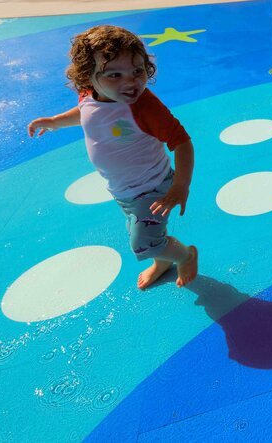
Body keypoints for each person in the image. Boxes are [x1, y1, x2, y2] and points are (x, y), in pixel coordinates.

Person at [27, 25, 198, 290]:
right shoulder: (88, 94)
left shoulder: (143, 107)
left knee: (141, 241)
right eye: (114, 75)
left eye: (137, 71)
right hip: (123, 190)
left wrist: (180, 186)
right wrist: (56, 122)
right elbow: (85, 111)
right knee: (140, 233)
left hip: (152, 188)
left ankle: (185, 255)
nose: (129, 82)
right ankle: (162, 260)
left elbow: (182, 143)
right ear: (88, 77)